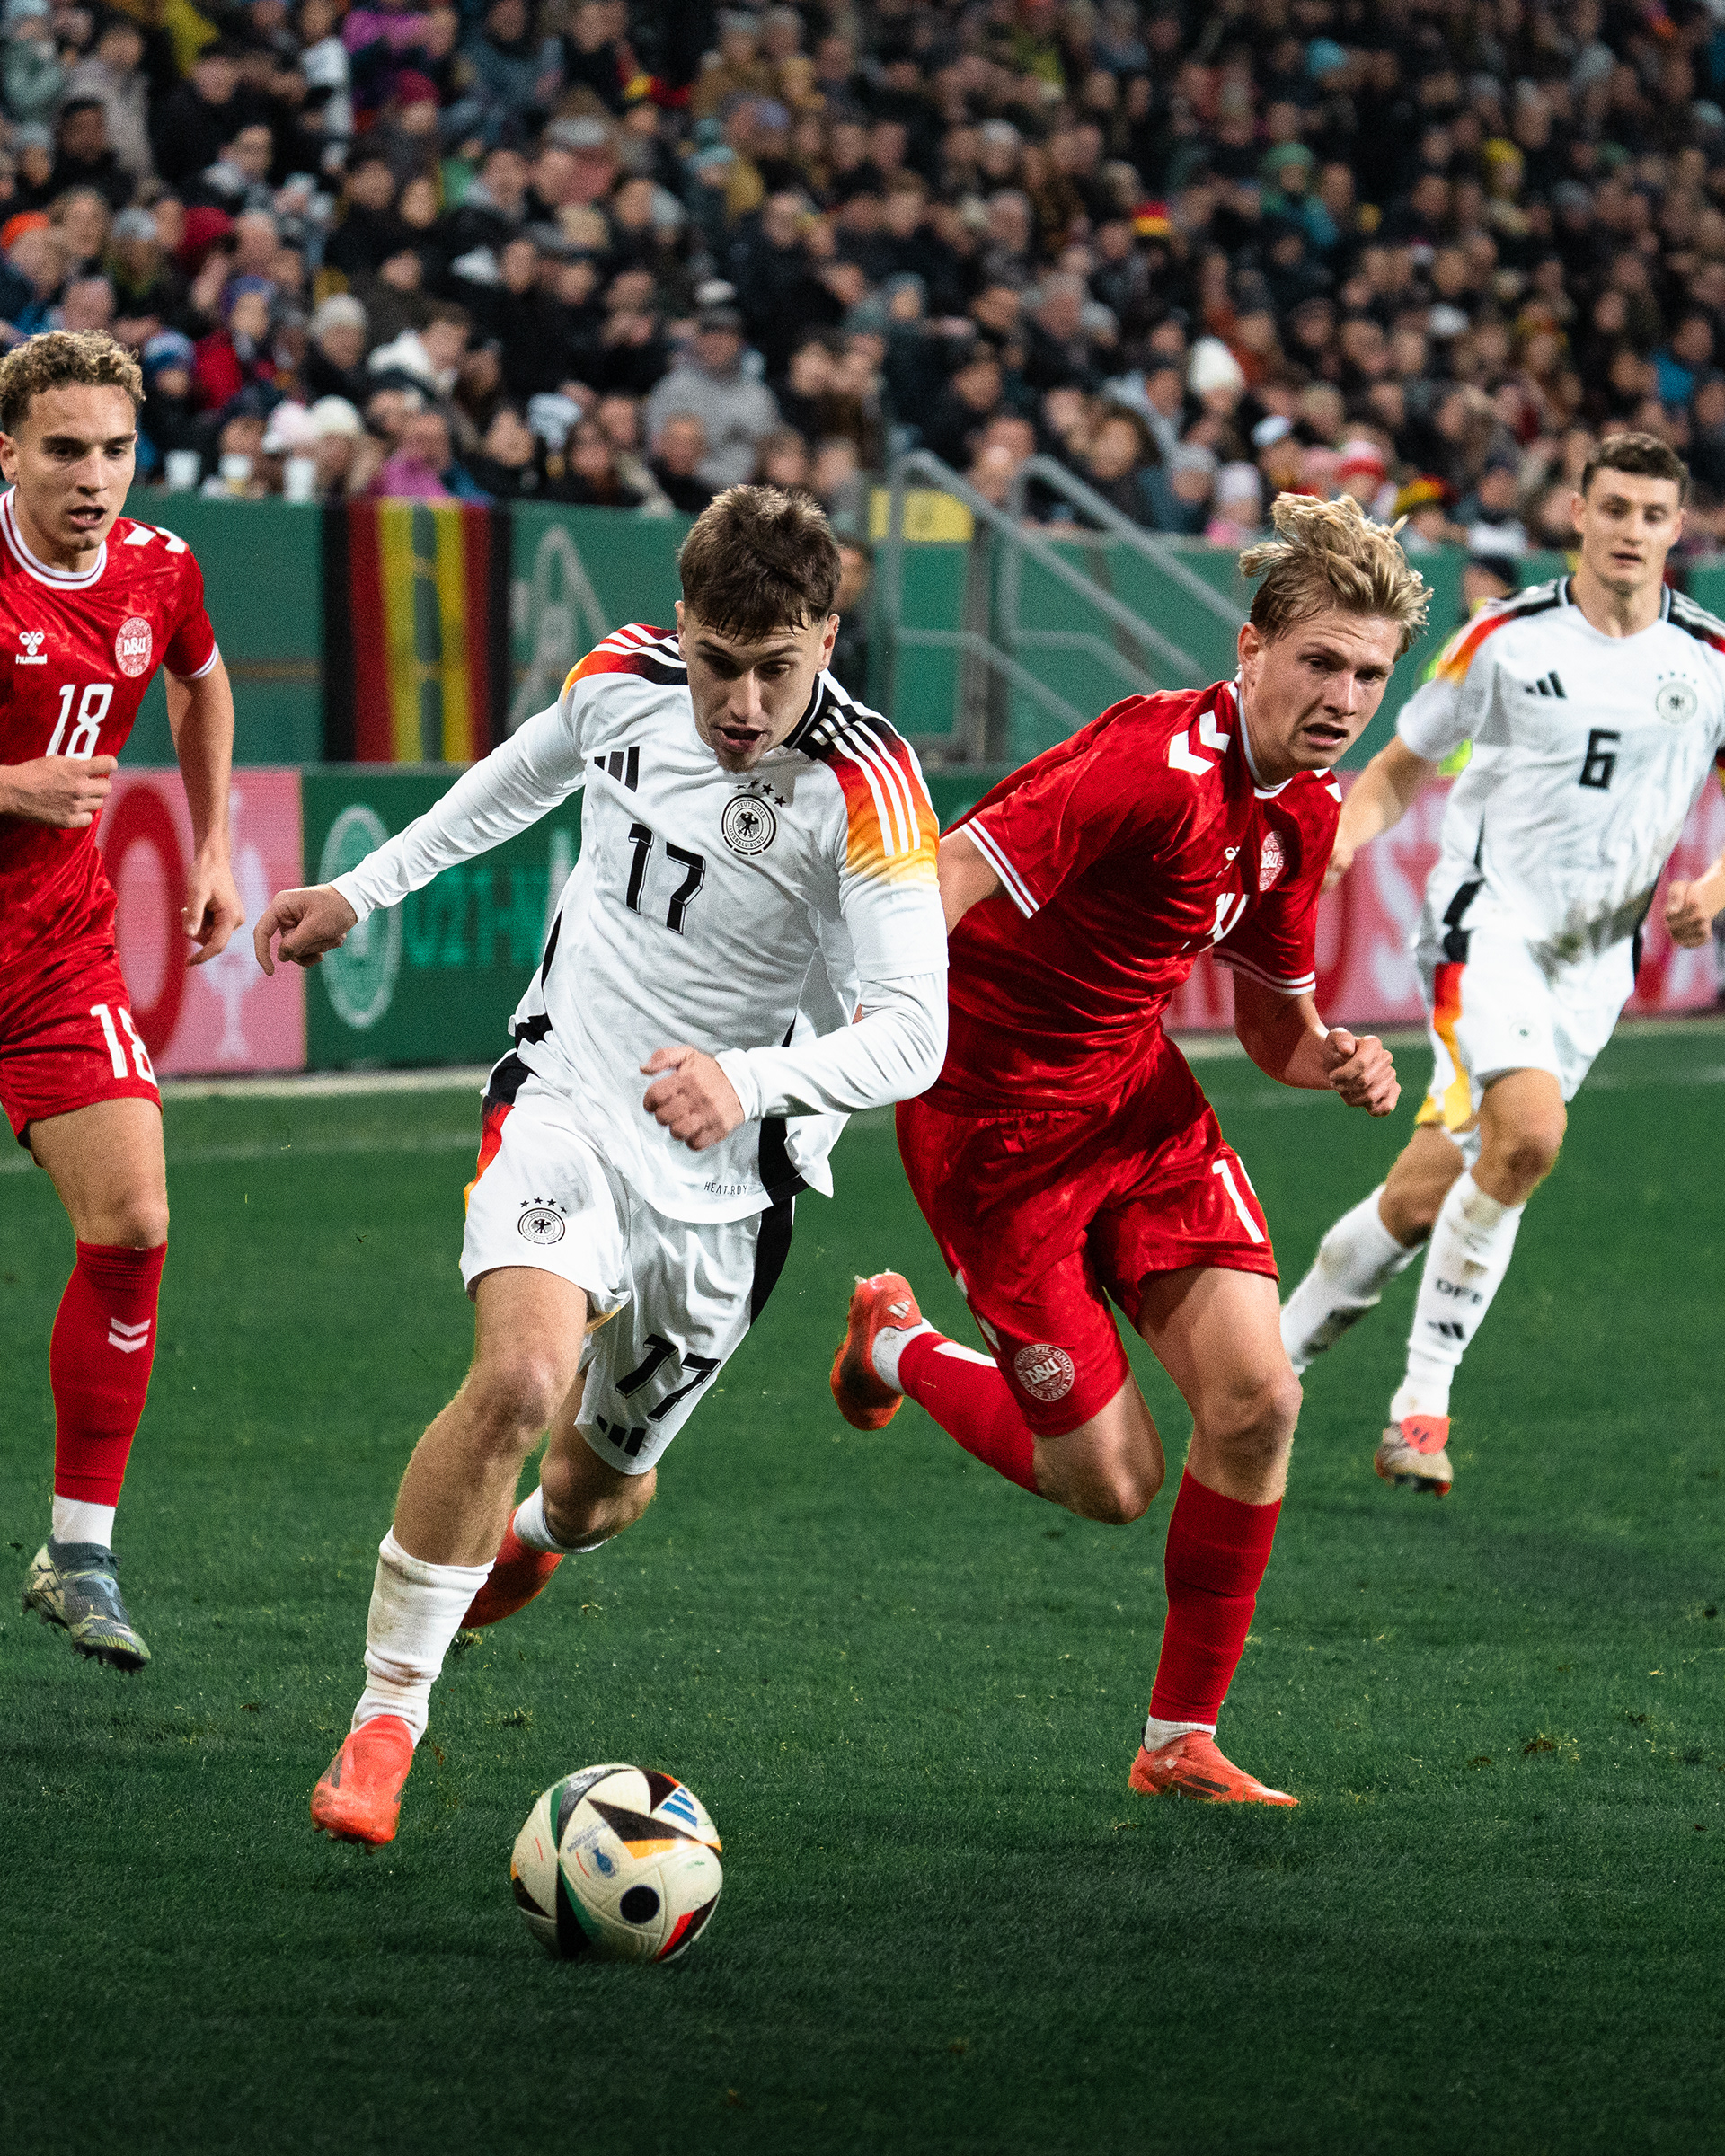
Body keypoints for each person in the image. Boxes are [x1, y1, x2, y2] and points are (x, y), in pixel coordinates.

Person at [252, 485, 949, 1847]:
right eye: (718, 662)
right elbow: (517, 779)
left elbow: (914, 1034)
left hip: (731, 1187)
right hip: (568, 1097)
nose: (742, 701)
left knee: (594, 1492)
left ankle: (530, 1545)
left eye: (778, 667)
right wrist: (361, 888)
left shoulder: (868, 788)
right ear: (680, 628)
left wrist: (743, 1081)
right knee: (516, 1378)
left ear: (829, 637)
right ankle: (388, 1716)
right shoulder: (622, 680)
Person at [829, 494, 1423, 1808]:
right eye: (1320, 660)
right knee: (1110, 1482)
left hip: (1138, 1109)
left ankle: (1177, 1747)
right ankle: (894, 1342)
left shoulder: (1306, 815)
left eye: (1369, 674)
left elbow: (1273, 1030)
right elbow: (945, 878)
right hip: (992, 1136)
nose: (1342, 695)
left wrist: (1335, 1056)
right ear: (1252, 647)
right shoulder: (1145, 764)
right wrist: (842, 1043)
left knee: (1263, 1403)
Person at [1278, 433, 1725, 1496]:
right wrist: (1341, 840)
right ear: (1577, 512)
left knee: (1428, 1195)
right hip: (1487, 932)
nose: (1631, 530)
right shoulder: (1506, 641)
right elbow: (1395, 768)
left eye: (1652, 514)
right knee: (1528, 1138)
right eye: (1613, 507)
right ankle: (1419, 1408)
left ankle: (1275, 1358)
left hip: (1596, 967)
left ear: (1678, 529)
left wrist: (1715, 890)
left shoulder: (1707, 659)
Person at [0, 330, 242, 1668]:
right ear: (8, 454)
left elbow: (202, 681)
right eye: (64, 452)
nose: (94, 478)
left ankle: (79, 1549)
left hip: (49, 952)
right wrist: (10, 786)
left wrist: (209, 848)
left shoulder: (159, 568)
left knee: (137, 1220)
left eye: (114, 450)